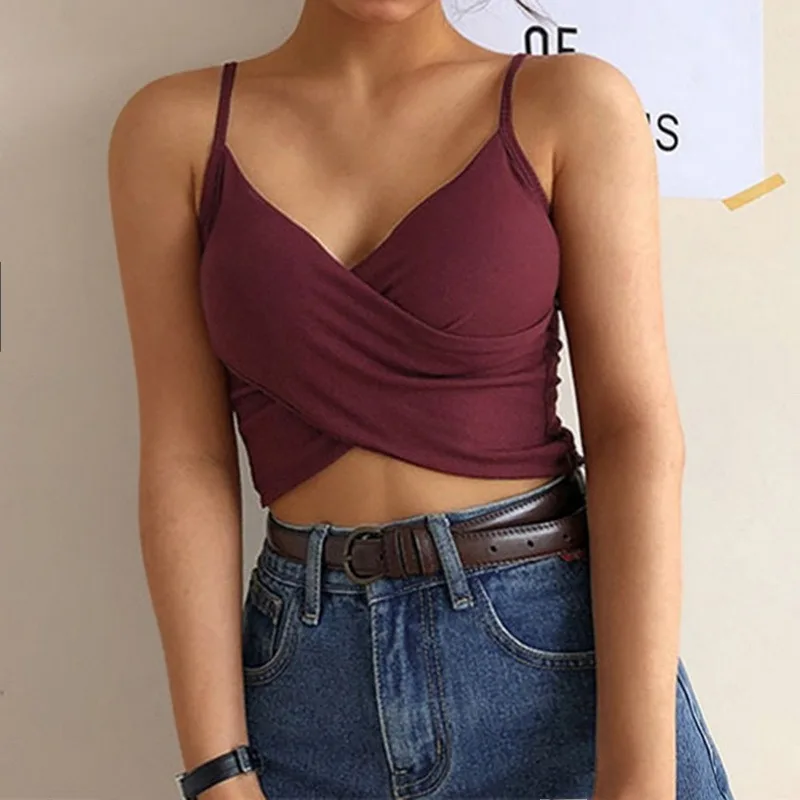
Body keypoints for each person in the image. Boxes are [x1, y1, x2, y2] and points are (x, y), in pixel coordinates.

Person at [106, 1, 736, 798]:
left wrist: (639, 776)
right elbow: (185, 457)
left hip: (556, 661)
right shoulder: (173, 129)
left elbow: (633, 433)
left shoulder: (569, 103)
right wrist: (218, 771)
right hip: (306, 689)